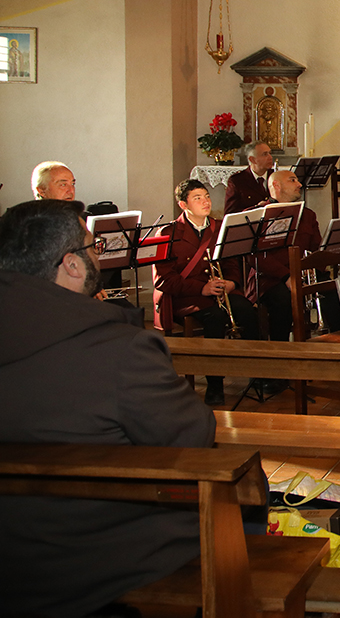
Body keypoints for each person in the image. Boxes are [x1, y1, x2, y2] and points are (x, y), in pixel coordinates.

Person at [0, 199, 216, 617]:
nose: (97, 253)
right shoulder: (121, 350)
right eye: (92, 245)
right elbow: (192, 437)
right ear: (72, 265)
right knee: (241, 496)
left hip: (12, 547)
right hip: (93, 554)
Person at [152, 179, 261, 405]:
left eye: (207, 196)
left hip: (220, 291)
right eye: (197, 198)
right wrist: (201, 288)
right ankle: (214, 384)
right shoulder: (168, 232)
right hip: (188, 296)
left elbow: (231, 262)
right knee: (215, 317)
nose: (205, 201)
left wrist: (231, 282)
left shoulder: (220, 227)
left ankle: (259, 374)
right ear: (184, 205)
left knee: (248, 310)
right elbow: (163, 278)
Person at [250, 170, 322, 349]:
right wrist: (286, 276)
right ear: (276, 185)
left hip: (303, 273)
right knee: (283, 302)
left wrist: (315, 268)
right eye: (293, 180)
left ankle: (334, 353)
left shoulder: (308, 214)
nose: (299, 184)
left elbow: (316, 248)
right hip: (269, 279)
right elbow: (254, 255)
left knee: (336, 293)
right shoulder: (255, 214)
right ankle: (280, 355)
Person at [224, 141, 275, 214]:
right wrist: (256, 208)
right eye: (265, 154)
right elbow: (230, 213)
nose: (270, 157)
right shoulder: (238, 180)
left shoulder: (275, 175)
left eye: (270, 153)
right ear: (252, 159)